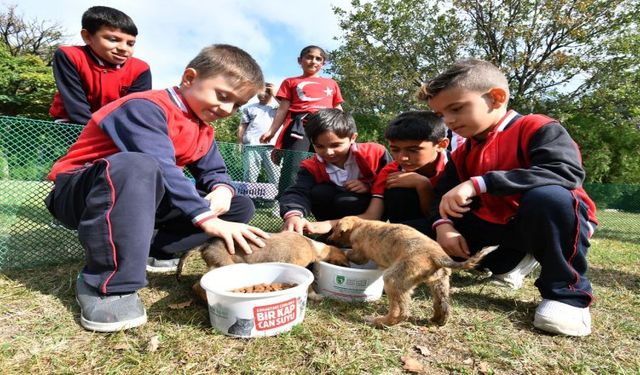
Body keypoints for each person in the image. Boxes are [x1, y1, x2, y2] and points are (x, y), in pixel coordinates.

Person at [44, 44, 269, 332]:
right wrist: (206, 218)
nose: (227, 109)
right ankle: (107, 283)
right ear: (189, 78)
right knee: (138, 165)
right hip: (80, 193)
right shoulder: (145, 107)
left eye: (237, 105)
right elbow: (161, 165)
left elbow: (214, 172)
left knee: (239, 205)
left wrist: (222, 189)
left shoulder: (202, 128)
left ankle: (156, 250)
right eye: (222, 96)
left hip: (138, 199)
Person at [420, 59, 598, 337]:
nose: (449, 121)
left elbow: (564, 173)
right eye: (441, 114)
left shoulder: (538, 127)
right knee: (425, 225)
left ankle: (567, 296)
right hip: (500, 224)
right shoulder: (464, 151)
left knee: (548, 198)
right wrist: (444, 226)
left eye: (456, 108)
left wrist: (480, 183)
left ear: (496, 98)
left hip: (551, 220)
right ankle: (509, 260)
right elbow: (440, 196)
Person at [307, 110, 450, 235]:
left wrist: (423, 185)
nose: (402, 157)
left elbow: (441, 215)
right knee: (397, 191)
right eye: (395, 149)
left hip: (453, 226)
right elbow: (372, 215)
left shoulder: (455, 165)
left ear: (441, 145)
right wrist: (329, 225)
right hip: (414, 229)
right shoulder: (390, 171)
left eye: (413, 150)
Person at [279, 108, 392, 234]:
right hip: (333, 211)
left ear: (353, 137)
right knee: (320, 192)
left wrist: (369, 186)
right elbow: (297, 192)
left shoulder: (375, 153)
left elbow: (390, 179)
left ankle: (360, 234)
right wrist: (293, 215)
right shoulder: (310, 166)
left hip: (369, 210)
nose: (328, 152)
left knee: (347, 201)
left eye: (335, 145)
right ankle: (331, 234)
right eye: (320, 146)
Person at [259, 45, 343, 193]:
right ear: (300, 60)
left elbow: (338, 109)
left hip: (326, 126)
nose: (313, 61)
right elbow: (283, 109)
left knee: (328, 162)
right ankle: (287, 200)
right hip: (299, 126)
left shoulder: (332, 83)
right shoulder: (290, 82)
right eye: (309, 57)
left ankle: (324, 199)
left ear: (323, 63)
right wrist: (271, 131)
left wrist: (345, 131)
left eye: (319, 59)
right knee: (293, 163)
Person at [49, 6, 152, 125]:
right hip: (71, 124)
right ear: (87, 37)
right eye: (113, 40)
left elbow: (132, 110)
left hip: (114, 128)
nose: (123, 48)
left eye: (130, 43)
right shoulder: (70, 56)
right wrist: (92, 131)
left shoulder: (140, 69)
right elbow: (75, 104)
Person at [237, 82, 280, 184]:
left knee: (275, 174)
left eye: (265, 92)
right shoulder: (248, 107)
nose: (262, 95)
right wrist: (239, 142)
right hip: (252, 144)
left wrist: (275, 93)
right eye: (259, 93)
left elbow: (287, 107)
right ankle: (248, 198)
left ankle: (275, 199)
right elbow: (243, 126)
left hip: (272, 146)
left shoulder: (278, 107)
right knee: (250, 174)